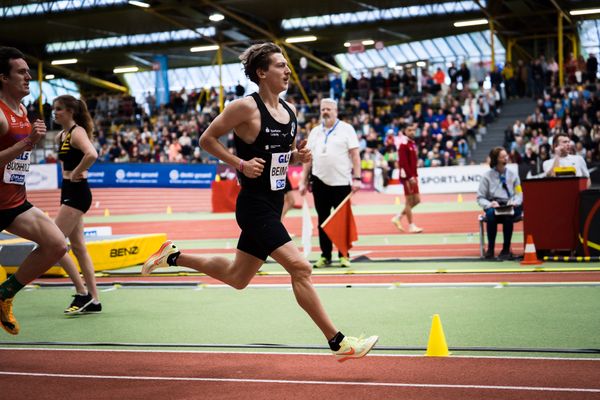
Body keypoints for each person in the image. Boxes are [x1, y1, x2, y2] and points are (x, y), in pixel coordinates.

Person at [142, 42, 378, 362]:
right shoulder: (245, 108)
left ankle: (173, 256)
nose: (287, 71)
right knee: (300, 266)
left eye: (287, 65)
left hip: (272, 204)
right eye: (281, 65)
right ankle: (339, 342)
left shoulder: (289, 112)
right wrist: (239, 163)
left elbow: (281, 155)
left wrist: (298, 155)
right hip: (252, 205)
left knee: (238, 278)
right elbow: (206, 140)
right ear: (262, 72)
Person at [0, 47, 67, 335]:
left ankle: (5, 294)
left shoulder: (23, 110)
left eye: (28, 71)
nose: (29, 76)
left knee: (56, 244)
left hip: (13, 204)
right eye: (21, 72)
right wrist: (27, 143)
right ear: (3, 78)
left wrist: (28, 143)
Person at [299, 98, 362, 269]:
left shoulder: (346, 129)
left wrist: (357, 178)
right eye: (322, 109)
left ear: (336, 111)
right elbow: (307, 159)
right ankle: (325, 255)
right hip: (319, 182)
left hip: (342, 182)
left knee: (342, 221)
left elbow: (355, 155)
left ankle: (343, 255)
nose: (325, 112)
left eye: (328, 109)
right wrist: (303, 180)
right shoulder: (315, 132)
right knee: (322, 220)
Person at [53, 94, 101, 314]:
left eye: (59, 109)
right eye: (55, 109)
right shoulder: (60, 136)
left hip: (78, 192)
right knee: (79, 248)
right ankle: (95, 300)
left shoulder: (77, 132)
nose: (55, 112)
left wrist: (79, 171)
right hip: (68, 191)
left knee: (53, 243)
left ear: (71, 112)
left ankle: (82, 293)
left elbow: (92, 153)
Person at [477, 147, 523, 260]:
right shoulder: (486, 176)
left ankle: (506, 249)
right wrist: (489, 204)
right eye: (503, 156)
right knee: (491, 214)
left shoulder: (513, 175)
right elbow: (480, 198)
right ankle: (490, 249)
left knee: (508, 214)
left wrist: (515, 202)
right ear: (496, 159)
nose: (506, 158)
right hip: (494, 205)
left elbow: (519, 193)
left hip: (510, 205)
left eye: (506, 156)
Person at [391, 124, 423, 233]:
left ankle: (398, 217)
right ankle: (411, 225)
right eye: (409, 130)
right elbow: (403, 163)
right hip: (407, 177)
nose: (412, 132)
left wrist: (414, 175)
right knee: (409, 201)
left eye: (413, 130)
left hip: (413, 176)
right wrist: (409, 177)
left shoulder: (411, 144)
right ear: (405, 131)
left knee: (417, 200)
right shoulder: (403, 144)